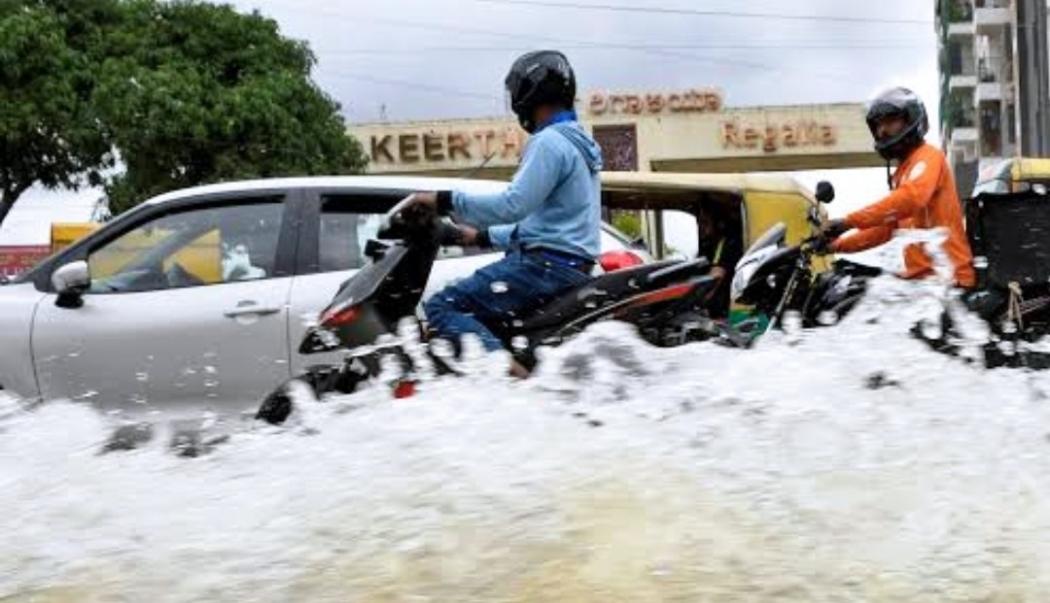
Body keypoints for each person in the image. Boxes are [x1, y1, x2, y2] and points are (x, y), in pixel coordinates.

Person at [401, 50, 603, 377]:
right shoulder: (580, 146)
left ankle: (519, 388)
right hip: (568, 268)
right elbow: (544, 225)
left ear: (531, 91)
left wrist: (442, 201)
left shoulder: (549, 142)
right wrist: (478, 236)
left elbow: (513, 204)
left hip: (543, 267)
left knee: (442, 307)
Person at [823, 87, 975, 288]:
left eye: (890, 121)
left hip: (948, 281)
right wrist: (836, 246)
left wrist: (848, 222)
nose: (882, 131)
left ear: (912, 119)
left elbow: (912, 198)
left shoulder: (929, 156)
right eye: (878, 125)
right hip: (922, 284)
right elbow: (887, 229)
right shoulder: (903, 173)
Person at [696, 203, 742, 318]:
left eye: (705, 223)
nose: (700, 227)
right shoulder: (708, 246)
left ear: (719, 224)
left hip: (722, 312)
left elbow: (715, 278)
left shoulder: (726, 244)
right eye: (699, 223)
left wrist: (696, 302)